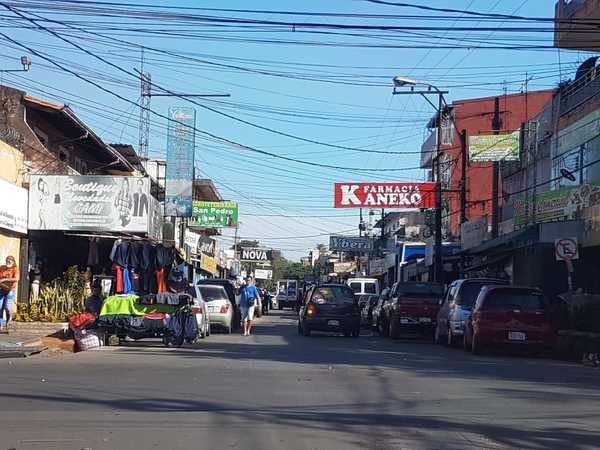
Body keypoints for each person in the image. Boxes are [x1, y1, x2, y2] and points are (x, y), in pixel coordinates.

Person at [0, 256, 19, 332]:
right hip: (1, 289)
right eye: (7, 260)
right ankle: (0, 325)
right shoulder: (2, 268)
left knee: (7, 307)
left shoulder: (15, 269)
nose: (8, 261)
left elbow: (16, 279)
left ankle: (9, 320)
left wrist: (5, 279)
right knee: (0, 307)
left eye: (10, 260)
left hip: (10, 290)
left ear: (13, 261)